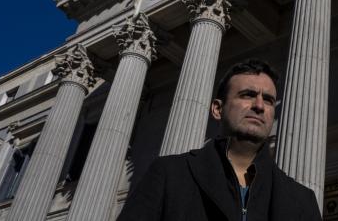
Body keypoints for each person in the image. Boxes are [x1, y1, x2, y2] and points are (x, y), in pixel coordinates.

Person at [117, 59, 322, 221]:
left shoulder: (302, 200)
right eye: (248, 95)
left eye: (268, 100)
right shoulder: (170, 174)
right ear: (217, 109)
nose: (259, 105)